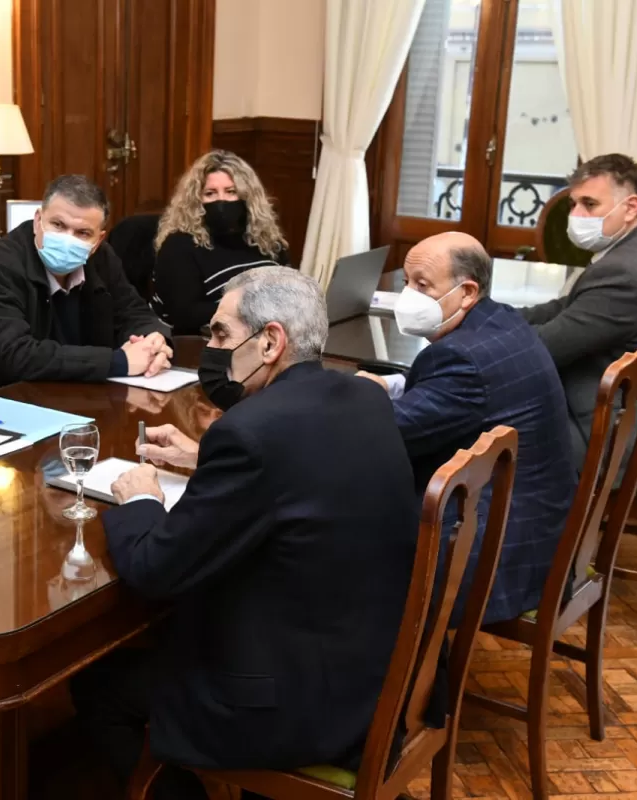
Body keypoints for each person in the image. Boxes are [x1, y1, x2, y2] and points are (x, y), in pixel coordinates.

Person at [71, 267, 420, 799]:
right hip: (375, 669)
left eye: (220, 335)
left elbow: (155, 570)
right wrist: (201, 458)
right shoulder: (362, 398)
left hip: (293, 704)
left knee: (100, 685)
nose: (210, 349)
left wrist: (141, 496)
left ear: (271, 342)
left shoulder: (250, 433)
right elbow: (302, 476)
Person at [357, 232, 576, 623]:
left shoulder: (459, 357)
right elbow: (450, 395)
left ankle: (393, 668)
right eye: (407, 282)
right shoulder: (501, 319)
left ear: (467, 291)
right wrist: (389, 385)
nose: (409, 295)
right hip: (541, 529)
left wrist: (348, 395)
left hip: (494, 551)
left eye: (422, 285)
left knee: (345, 522)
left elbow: (385, 437)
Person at [521, 154, 637, 499]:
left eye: (589, 204)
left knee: (497, 447)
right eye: (574, 203)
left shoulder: (627, 272)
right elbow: (562, 309)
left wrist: (478, 338)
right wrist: (491, 315)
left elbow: (544, 349)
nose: (576, 216)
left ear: (630, 206)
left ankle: (542, 548)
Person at [0, 175, 173, 398]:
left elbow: (133, 310)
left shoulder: (101, 258)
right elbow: (19, 355)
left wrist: (154, 341)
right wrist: (119, 361)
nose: (68, 238)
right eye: (58, 225)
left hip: (67, 395)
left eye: (82, 233)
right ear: (38, 220)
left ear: (98, 240)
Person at [151, 150, 289, 336]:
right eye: (210, 193)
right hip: (204, 344)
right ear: (196, 200)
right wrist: (250, 308)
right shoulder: (179, 245)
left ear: (247, 197)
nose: (221, 201)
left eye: (231, 192)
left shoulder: (267, 241)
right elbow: (186, 315)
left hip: (269, 336)